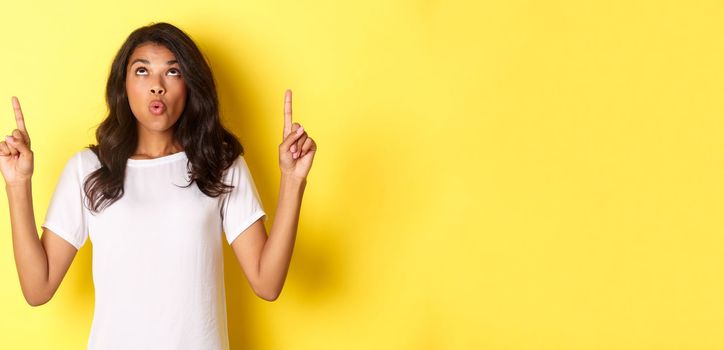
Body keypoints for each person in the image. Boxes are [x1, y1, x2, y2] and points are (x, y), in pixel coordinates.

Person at [1, 22, 316, 349]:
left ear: (190, 85)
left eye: (173, 72)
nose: (157, 86)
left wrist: (293, 181)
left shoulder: (219, 165)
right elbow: (38, 290)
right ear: (123, 85)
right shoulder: (89, 169)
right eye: (142, 71)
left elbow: (267, 284)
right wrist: (17, 184)